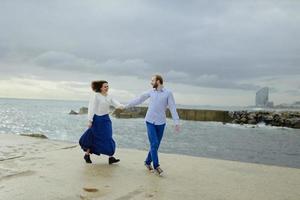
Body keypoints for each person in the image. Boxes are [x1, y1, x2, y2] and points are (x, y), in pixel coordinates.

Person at [125, 74, 180, 176]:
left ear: (158, 81)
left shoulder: (168, 93)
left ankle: (147, 162)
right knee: (154, 143)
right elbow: (139, 99)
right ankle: (156, 166)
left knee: (156, 145)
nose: (151, 82)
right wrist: (126, 106)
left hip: (161, 123)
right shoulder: (150, 92)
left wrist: (176, 122)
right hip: (150, 121)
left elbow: (172, 107)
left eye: (152, 80)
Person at [79, 80, 124, 164]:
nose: (107, 88)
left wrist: (121, 106)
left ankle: (111, 157)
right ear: (100, 87)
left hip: (106, 119)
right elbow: (91, 108)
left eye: (107, 86)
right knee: (92, 136)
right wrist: (90, 120)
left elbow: (115, 102)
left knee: (108, 136)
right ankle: (87, 154)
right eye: (105, 86)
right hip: (97, 119)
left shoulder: (109, 96)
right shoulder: (96, 96)